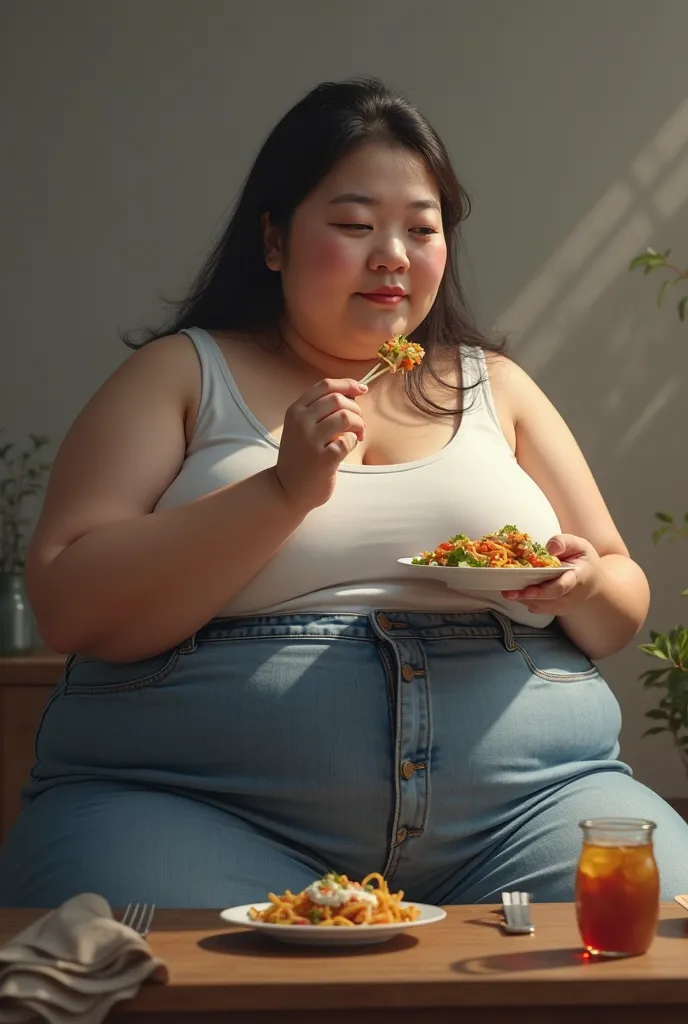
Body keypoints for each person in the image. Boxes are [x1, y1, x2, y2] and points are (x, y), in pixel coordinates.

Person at [1, 78, 686, 909]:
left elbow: (619, 600)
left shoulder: (496, 385)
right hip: (192, 807)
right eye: (356, 225)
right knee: (125, 954)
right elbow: (67, 600)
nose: (392, 254)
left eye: (421, 229)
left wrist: (581, 582)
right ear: (275, 240)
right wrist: (283, 490)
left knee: (660, 933)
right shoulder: (182, 373)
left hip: (527, 811)